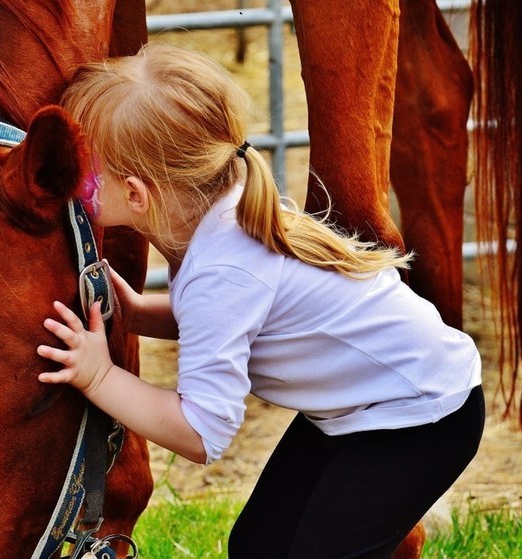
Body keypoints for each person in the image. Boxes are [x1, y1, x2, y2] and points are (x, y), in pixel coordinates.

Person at [36, 43, 484, 558]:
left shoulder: (221, 269)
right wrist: (137, 312)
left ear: (137, 194)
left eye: (84, 175)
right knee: (257, 547)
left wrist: (99, 377)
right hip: (373, 406)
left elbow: (201, 432)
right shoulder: (221, 217)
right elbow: (232, 321)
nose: (73, 187)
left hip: (420, 418)